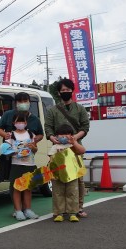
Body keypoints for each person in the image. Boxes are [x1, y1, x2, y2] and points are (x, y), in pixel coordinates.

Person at [44, 78, 90, 218]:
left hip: (75, 148)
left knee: (78, 180)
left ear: (72, 91)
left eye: (68, 90)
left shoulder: (80, 108)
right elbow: (48, 127)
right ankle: (60, 210)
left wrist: (74, 138)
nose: (66, 92)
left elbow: (85, 127)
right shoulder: (52, 110)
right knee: (58, 180)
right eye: (63, 90)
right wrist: (53, 138)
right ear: (58, 92)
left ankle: (78, 208)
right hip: (58, 150)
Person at [3, 112, 39, 220]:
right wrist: (14, 151)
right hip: (16, 165)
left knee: (28, 188)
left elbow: (35, 150)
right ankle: (18, 211)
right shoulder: (10, 135)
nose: (20, 123)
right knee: (17, 188)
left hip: (29, 164)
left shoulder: (31, 134)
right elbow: (5, 150)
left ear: (26, 123)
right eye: (18, 121)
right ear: (14, 123)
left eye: (22, 121)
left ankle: (28, 210)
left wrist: (32, 147)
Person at [48, 124, 86, 222]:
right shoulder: (55, 147)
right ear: (56, 136)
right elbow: (51, 158)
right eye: (61, 135)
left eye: (67, 134)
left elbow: (82, 151)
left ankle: (72, 213)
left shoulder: (73, 145)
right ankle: (58, 213)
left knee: (72, 192)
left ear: (71, 135)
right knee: (57, 193)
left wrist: (74, 142)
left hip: (72, 174)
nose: (64, 136)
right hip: (58, 174)